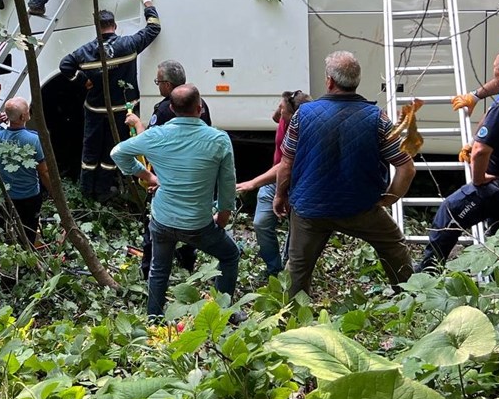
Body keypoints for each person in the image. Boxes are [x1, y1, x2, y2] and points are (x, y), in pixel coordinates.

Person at [272, 51, 416, 298]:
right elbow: (406, 168)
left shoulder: (303, 115)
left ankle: (290, 320)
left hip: (309, 209)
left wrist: (279, 195)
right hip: (359, 208)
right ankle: (411, 299)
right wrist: (390, 197)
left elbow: (286, 165)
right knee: (393, 246)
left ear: (329, 81)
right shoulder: (378, 118)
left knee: (297, 268)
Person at [111, 84, 240, 319]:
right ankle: (223, 314)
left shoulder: (156, 135)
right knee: (230, 255)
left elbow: (118, 152)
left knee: (160, 269)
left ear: (171, 108)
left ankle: (153, 320)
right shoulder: (219, 140)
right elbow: (227, 186)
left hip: (162, 220)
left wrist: (148, 175)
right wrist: (222, 218)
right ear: (200, 108)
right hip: (198, 224)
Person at [415, 49, 499, 271]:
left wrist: (478, 179)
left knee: (449, 211)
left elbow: (480, 151)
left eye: (496, 69)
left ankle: (428, 271)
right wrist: (476, 95)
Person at [59, 0, 162, 201]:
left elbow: (65, 65)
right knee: (112, 150)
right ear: (114, 26)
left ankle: (87, 193)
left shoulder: (85, 51)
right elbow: (154, 28)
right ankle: (104, 193)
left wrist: (83, 81)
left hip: (95, 110)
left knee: (90, 150)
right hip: (123, 110)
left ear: (97, 29)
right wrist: (147, 0)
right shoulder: (129, 44)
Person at [124, 59, 209, 278]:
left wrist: (137, 124)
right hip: (194, 176)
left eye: (158, 81)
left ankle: (148, 273)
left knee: (154, 228)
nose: (158, 85)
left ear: (168, 86)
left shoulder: (164, 109)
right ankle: (187, 265)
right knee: (190, 223)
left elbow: (150, 145)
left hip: (166, 178)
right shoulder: (199, 103)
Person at [235, 90, 311, 277]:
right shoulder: (285, 118)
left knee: (296, 231)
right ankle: (273, 268)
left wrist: (253, 183)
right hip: (275, 181)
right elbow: (276, 118)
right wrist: (281, 109)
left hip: (296, 183)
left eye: (282, 109)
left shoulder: (302, 130)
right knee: (261, 223)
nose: (279, 111)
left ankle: (288, 271)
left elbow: (285, 166)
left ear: (296, 116)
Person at [0, 98, 52, 246]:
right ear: (23, 117)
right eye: (27, 111)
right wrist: (53, 192)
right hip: (29, 195)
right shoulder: (33, 140)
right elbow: (43, 171)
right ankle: (26, 257)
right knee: (28, 231)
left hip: (3, 193)